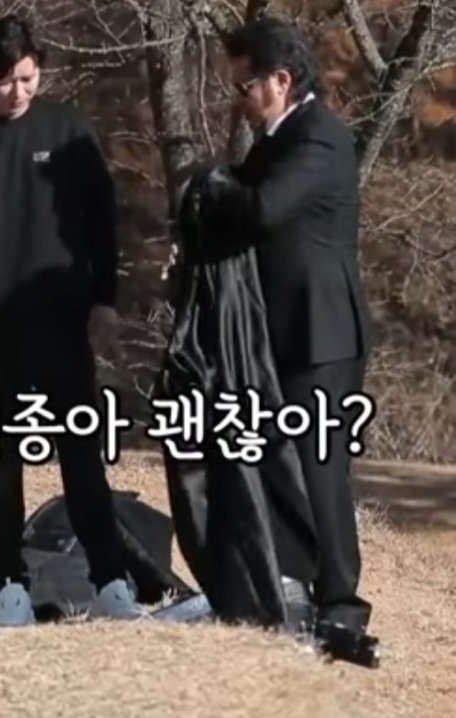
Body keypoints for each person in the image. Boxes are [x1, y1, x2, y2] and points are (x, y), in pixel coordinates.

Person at [0, 14, 145, 626]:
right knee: (1, 456)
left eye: (26, 77)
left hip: (64, 317)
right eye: (3, 81)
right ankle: (9, 585)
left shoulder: (68, 131)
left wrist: (105, 300)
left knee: (81, 452)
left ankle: (110, 580)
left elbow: (101, 224)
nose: (17, 91)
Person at [196, 17, 375, 640]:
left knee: (319, 465)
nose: (239, 99)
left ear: (281, 79)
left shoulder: (319, 136)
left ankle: (343, 603)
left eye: (244, 86)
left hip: (322, 333)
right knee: (275, 460)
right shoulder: (273, 140)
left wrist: (212, 185)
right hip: (277, 329)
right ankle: (286, 583)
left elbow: (264, 208)